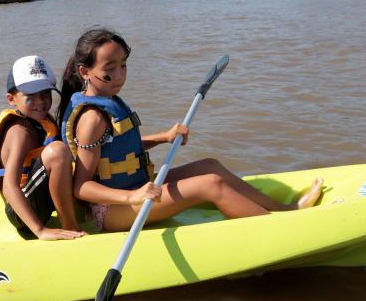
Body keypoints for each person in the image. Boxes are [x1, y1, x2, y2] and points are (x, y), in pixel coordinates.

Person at [59, 28, 324, 232]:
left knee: (210, 165)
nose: (119, 76)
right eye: (109, 70)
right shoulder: (91, 118)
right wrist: (133, 195)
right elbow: (81, 187)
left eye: (123, 66)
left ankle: (285, 210)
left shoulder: (109, 101)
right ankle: (280, 230)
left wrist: (163, 137)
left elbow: (117, 149)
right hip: (112, 209)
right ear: (85, 71)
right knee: (210, 184)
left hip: (138, 188)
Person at [0, 55, 85, 241]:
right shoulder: (20, 132)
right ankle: (70, 226)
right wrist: (40, 230)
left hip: (38, 202)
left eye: (45, 94)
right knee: (57, 151)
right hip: (23, 215)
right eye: (30, 96)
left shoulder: (40, 121)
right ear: (11, 99)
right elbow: (9, 187)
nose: (41, 101)